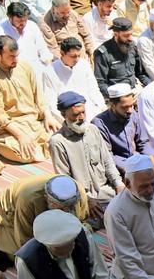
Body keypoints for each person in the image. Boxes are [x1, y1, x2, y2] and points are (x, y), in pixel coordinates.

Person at [48, 92, 123, 223]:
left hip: (105, 191)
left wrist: (118, 184)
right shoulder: (58, 141)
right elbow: (65, 179)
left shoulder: (93, 129)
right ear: (63, 115)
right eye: (76, 115)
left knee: (133, 204)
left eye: (83, 112)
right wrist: (86, 199)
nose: (81, 117)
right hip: (82, 198)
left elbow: (107, 161)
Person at [0, 35, 54, 163]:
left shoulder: (24, 66)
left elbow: (38, 94)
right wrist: (20, 135)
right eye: (11, 57)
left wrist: (48, 115)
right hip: (10, 128)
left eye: (17, 55)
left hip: (34, 121)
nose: (16, 60)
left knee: (58, 143)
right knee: (26, 155)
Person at [0, 174, 90, 261]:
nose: (67, 211)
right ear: (46, 198)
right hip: (12, 216)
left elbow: (82, 221)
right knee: (21, 255)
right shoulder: (28, 199)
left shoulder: (78, 190)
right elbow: (24, 238)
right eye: (62, 208)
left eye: (71, 207)